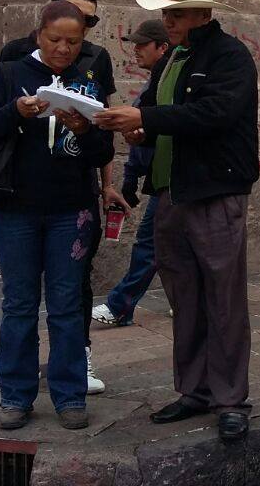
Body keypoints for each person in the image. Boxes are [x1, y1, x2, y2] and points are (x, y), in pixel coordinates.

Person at [94, 0, 258, 443]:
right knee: (183, 296)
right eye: (167, 10)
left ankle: (230, 398)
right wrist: (142, 128)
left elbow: (216, 113)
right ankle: (195, 389)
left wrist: (145, 115)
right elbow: (166, 113)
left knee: (223, 299)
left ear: (200, 13)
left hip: (213, 190)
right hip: (170, 192)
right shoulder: (172, 60)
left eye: (176, 12)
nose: (167, 18)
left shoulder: (230, 56)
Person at [0, 1, 115, 431]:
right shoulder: (10, 74)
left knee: (67, 304)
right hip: (15, 208)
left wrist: (86, 130)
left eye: (73, 42)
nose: (64, 50)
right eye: (55, 41)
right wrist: (16, 110)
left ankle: (69, 394)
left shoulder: (88, 78)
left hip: (71, 209)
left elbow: (103, 151)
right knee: (19, 302)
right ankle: (16, 394)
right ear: (39, 36)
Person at [91, 20, 170, 327]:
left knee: (150, 245)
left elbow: (150, 135)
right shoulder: (155, 82)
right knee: (170, 247)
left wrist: (130, 179)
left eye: (142, 45)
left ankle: (121, 305)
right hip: (161, 178)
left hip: (170, 179)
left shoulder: (165, 81)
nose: (135, 51)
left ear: (162, 48)